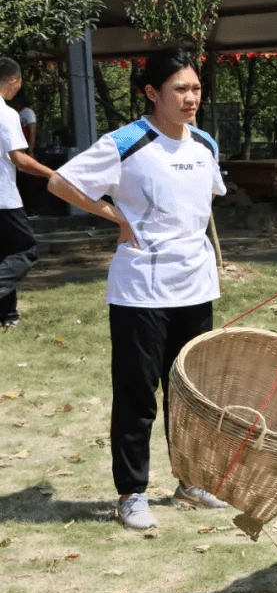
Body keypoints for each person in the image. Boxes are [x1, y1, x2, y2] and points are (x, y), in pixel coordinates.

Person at [48, 48, 229, 530]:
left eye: (195, 88)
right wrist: (113, 215)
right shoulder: (125, 141)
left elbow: (204, 199)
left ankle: (191, 480)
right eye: (180, 90)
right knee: (137, 394)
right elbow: (62, 183)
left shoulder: (205, 144)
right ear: (152, 93)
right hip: (140, 293)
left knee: (190, 392)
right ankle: (132, 492)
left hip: (195, 287)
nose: (191, 98)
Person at [0, 58, 55, 328]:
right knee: (25, 250)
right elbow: (19, 159)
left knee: (4, 254)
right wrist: (51, 173)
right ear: (14, 81)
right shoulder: (6, 114)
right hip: (3, 199)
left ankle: (8, 316)